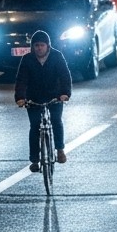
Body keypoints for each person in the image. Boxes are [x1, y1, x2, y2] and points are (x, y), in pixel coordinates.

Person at [14, 30, 72, 172]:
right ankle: (34, 159)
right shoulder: (27, 59)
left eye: (42, 45)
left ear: (48, 46)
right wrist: (20, 97)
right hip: (34, 97)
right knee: (34, 126)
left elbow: (65, 76)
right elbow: (21, 80)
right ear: (33, 47)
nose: (39, 48)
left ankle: (59, 149)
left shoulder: (57, 56)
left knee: (56, 120)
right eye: (36, 45)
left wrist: (65, 94)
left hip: (55, 96)